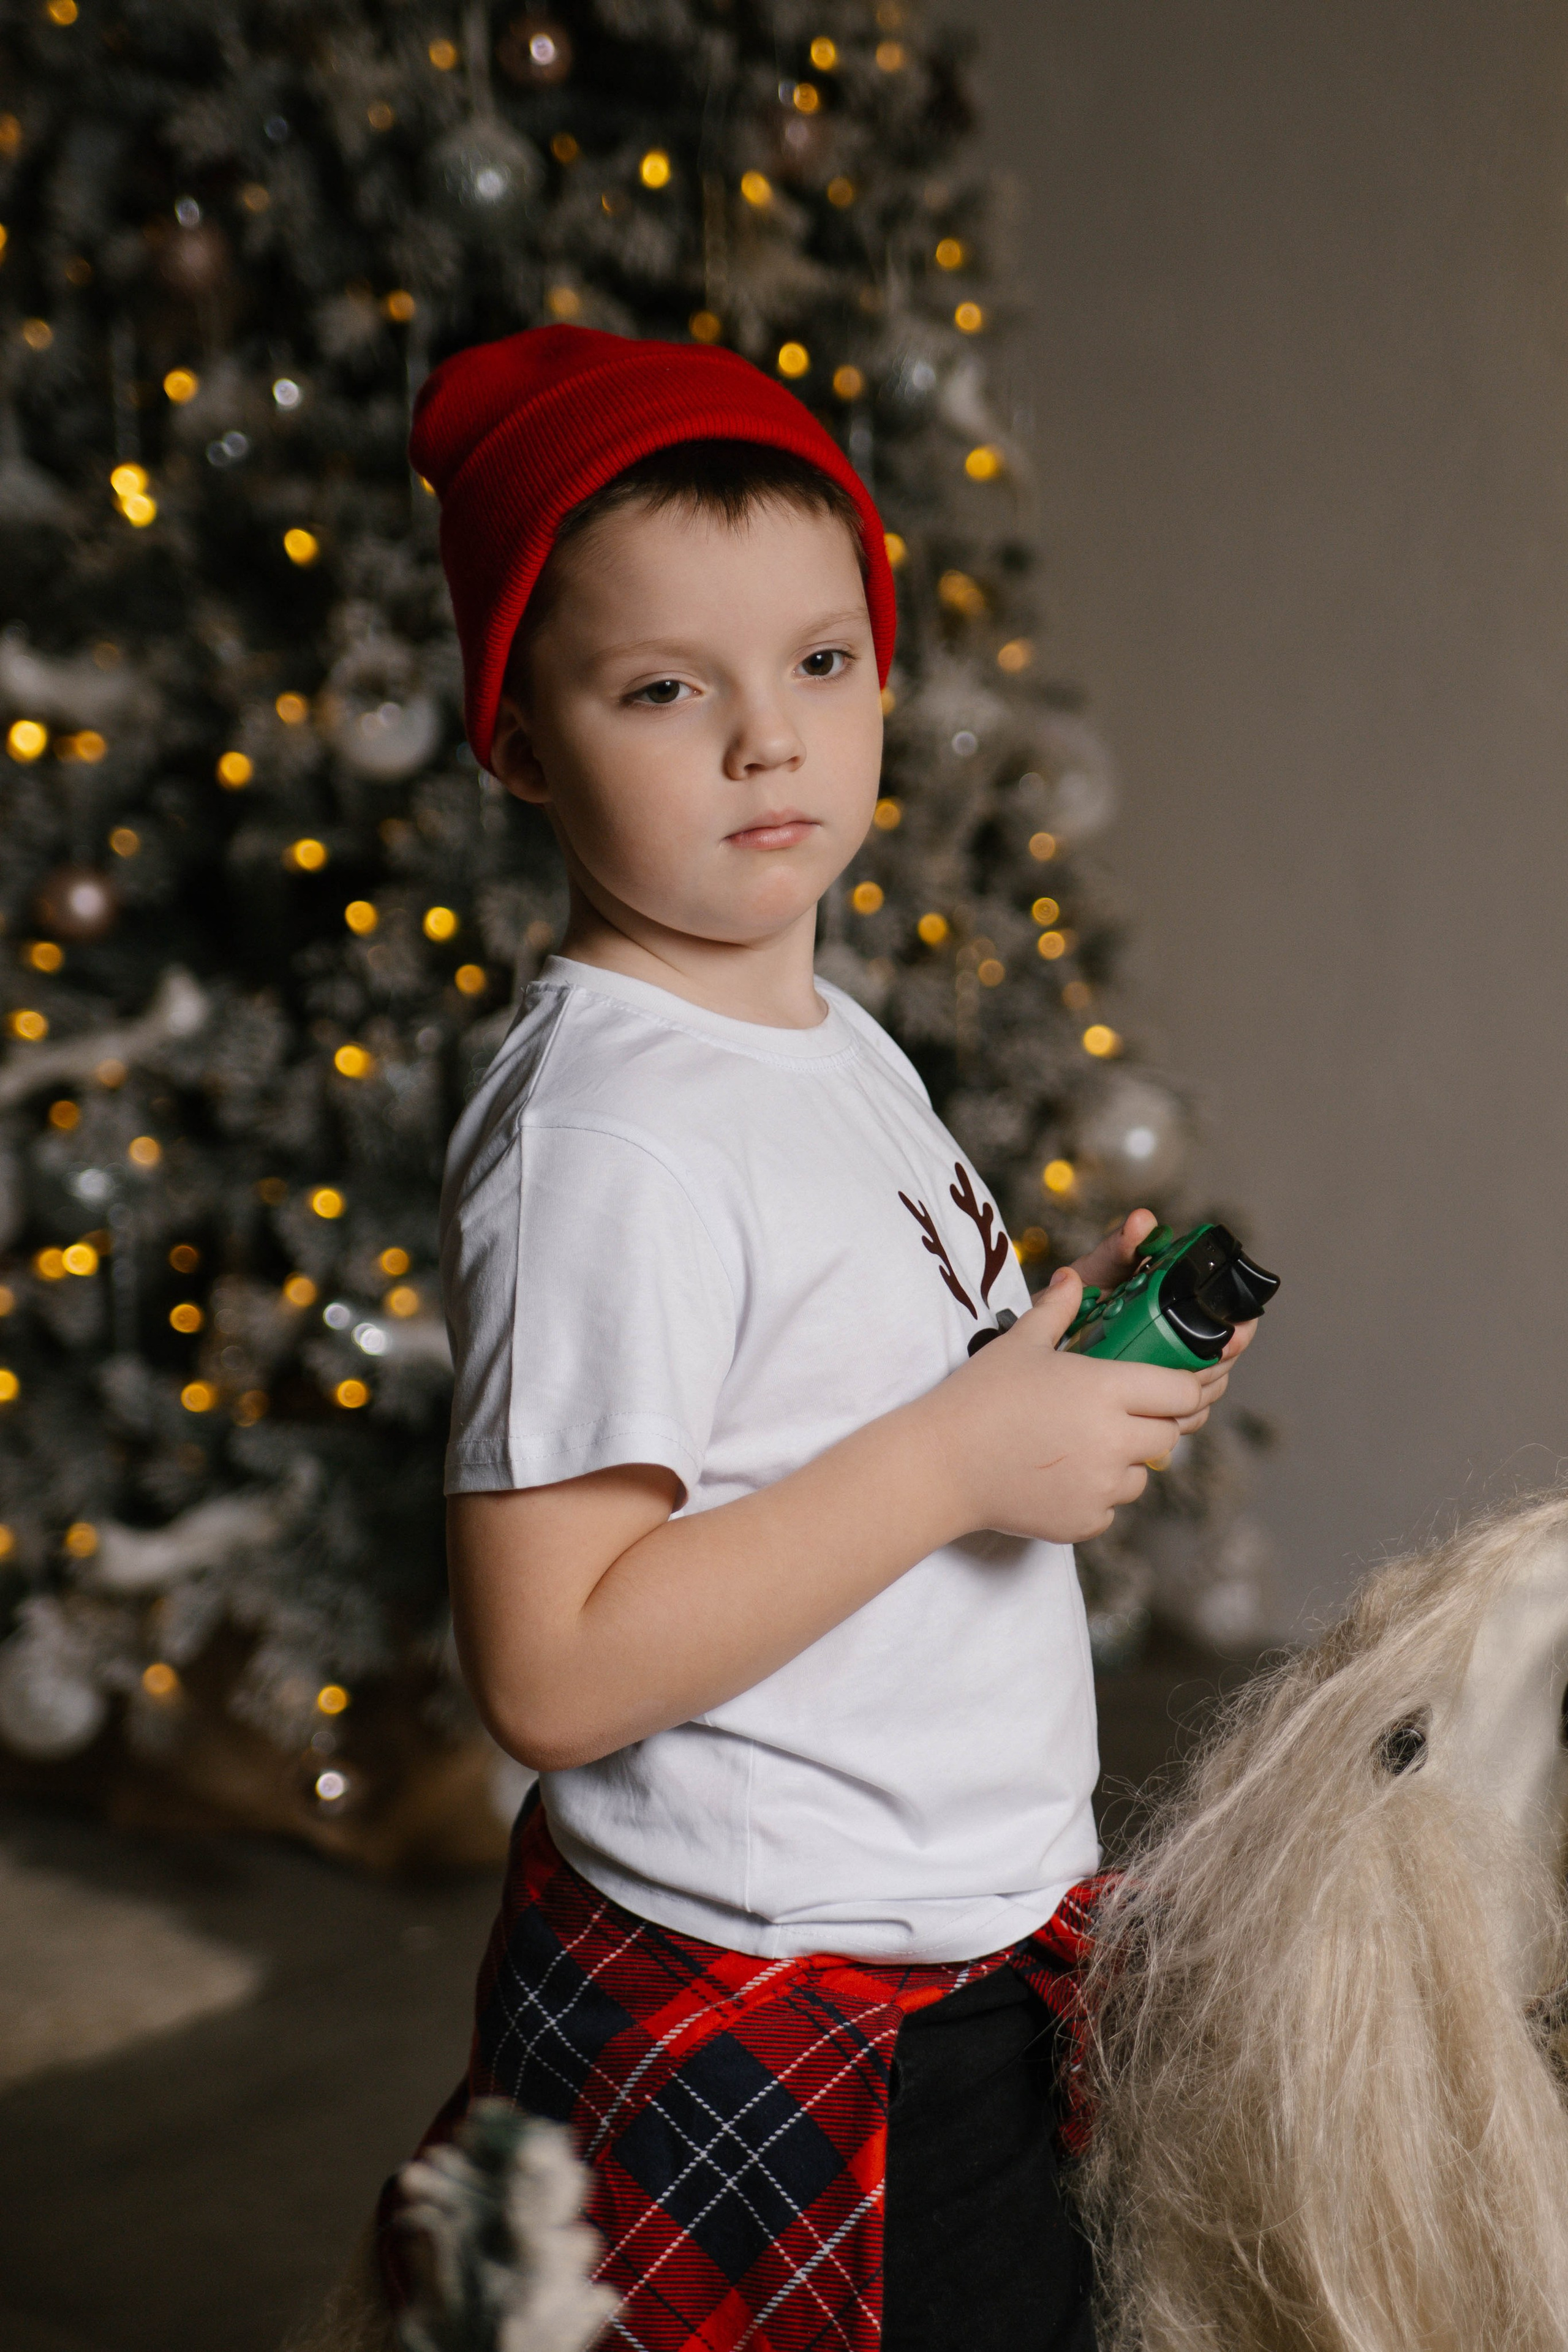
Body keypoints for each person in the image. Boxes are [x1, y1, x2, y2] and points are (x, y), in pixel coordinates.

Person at [388, 325, 1255, 2352]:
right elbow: (552, 1663)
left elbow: (846, 1427)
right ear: (520, 743)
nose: (766, 740)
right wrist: (961, 1459)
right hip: (785, 2021)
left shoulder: (817, 1036)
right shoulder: (609, 1137)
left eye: (819, 662)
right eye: (663, 690)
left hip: (957, 1958)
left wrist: (1044, 1387)